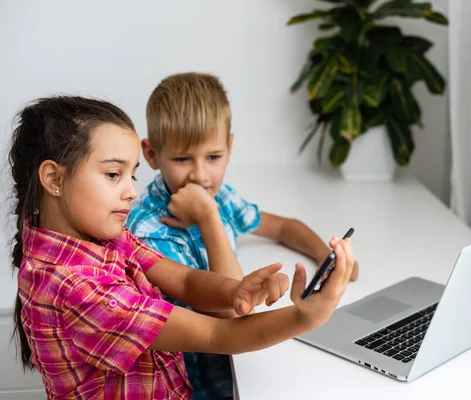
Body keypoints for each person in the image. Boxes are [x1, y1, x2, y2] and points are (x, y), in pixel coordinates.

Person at [9, 96, 355, 399]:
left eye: (133, 175)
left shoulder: (103, 237)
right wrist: (306, 316)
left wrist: (237, 290)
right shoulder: (77, 288)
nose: (131, 191)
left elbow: (186, 281)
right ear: (54, 179)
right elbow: (218, 334)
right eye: (113, 175)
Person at [126, 72, 359, 399]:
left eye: (213, 157)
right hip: (198, 385)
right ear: (151, 154)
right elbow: (233, 309)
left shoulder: (220, 198)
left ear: (229, 147)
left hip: (239, 371)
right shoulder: (147, 229)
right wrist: (208, 218)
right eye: (182, 159)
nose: (201, 174)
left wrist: (324, 255)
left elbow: (282, 227)